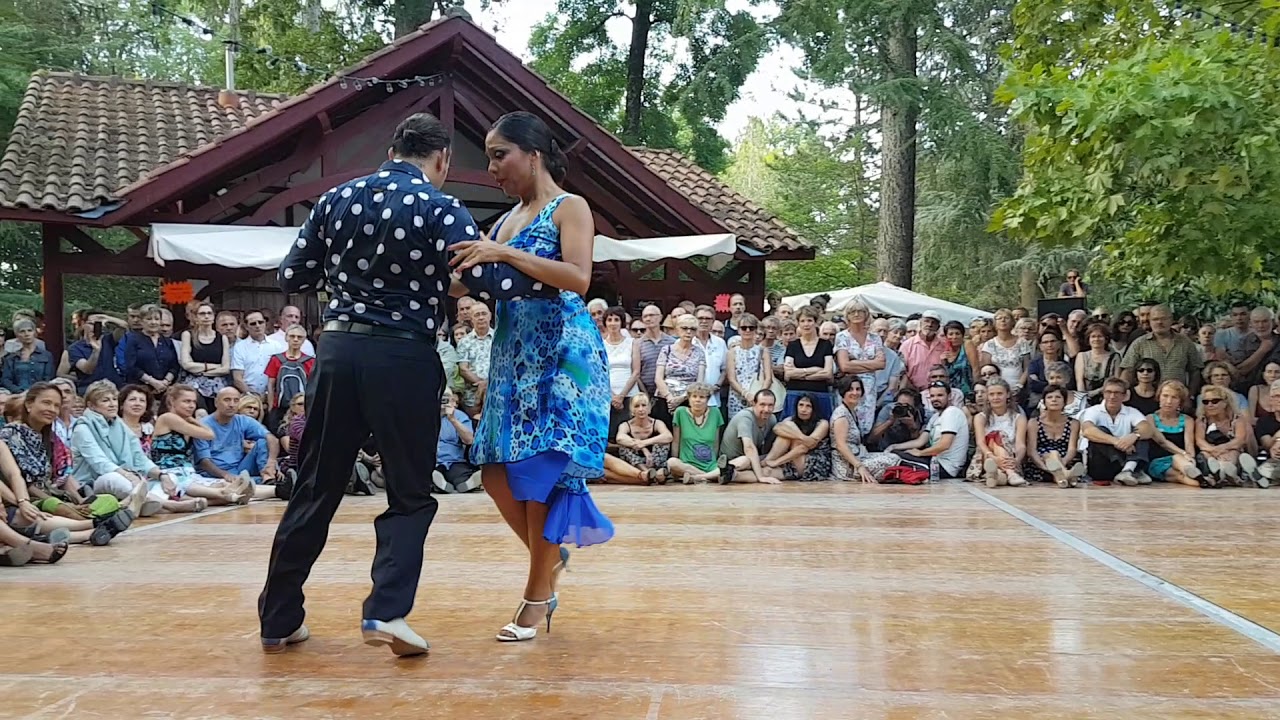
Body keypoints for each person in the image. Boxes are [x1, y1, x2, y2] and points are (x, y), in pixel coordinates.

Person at [259, 113, 465, 657]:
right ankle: (386, 612)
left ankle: (278, 619)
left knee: (316, 484)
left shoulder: (334, 199)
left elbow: (292, 277)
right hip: (404, 355)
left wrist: (348, 272)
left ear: (393, 147)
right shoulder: (440, 205)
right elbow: (483, 274)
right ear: (440, 159)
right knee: (410, 491)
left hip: (340, 350)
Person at [450, 111, 614, 643]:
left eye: (501, 154)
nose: (493, 166)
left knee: (538, 477)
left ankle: (536, 595)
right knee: (496, 475)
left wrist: (501, 251)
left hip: (562, 354)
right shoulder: (504, 220)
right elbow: (471, 284)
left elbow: (577, 277)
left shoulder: (572, 207)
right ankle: (550, 562)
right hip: (511, 357)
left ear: (534, 154)